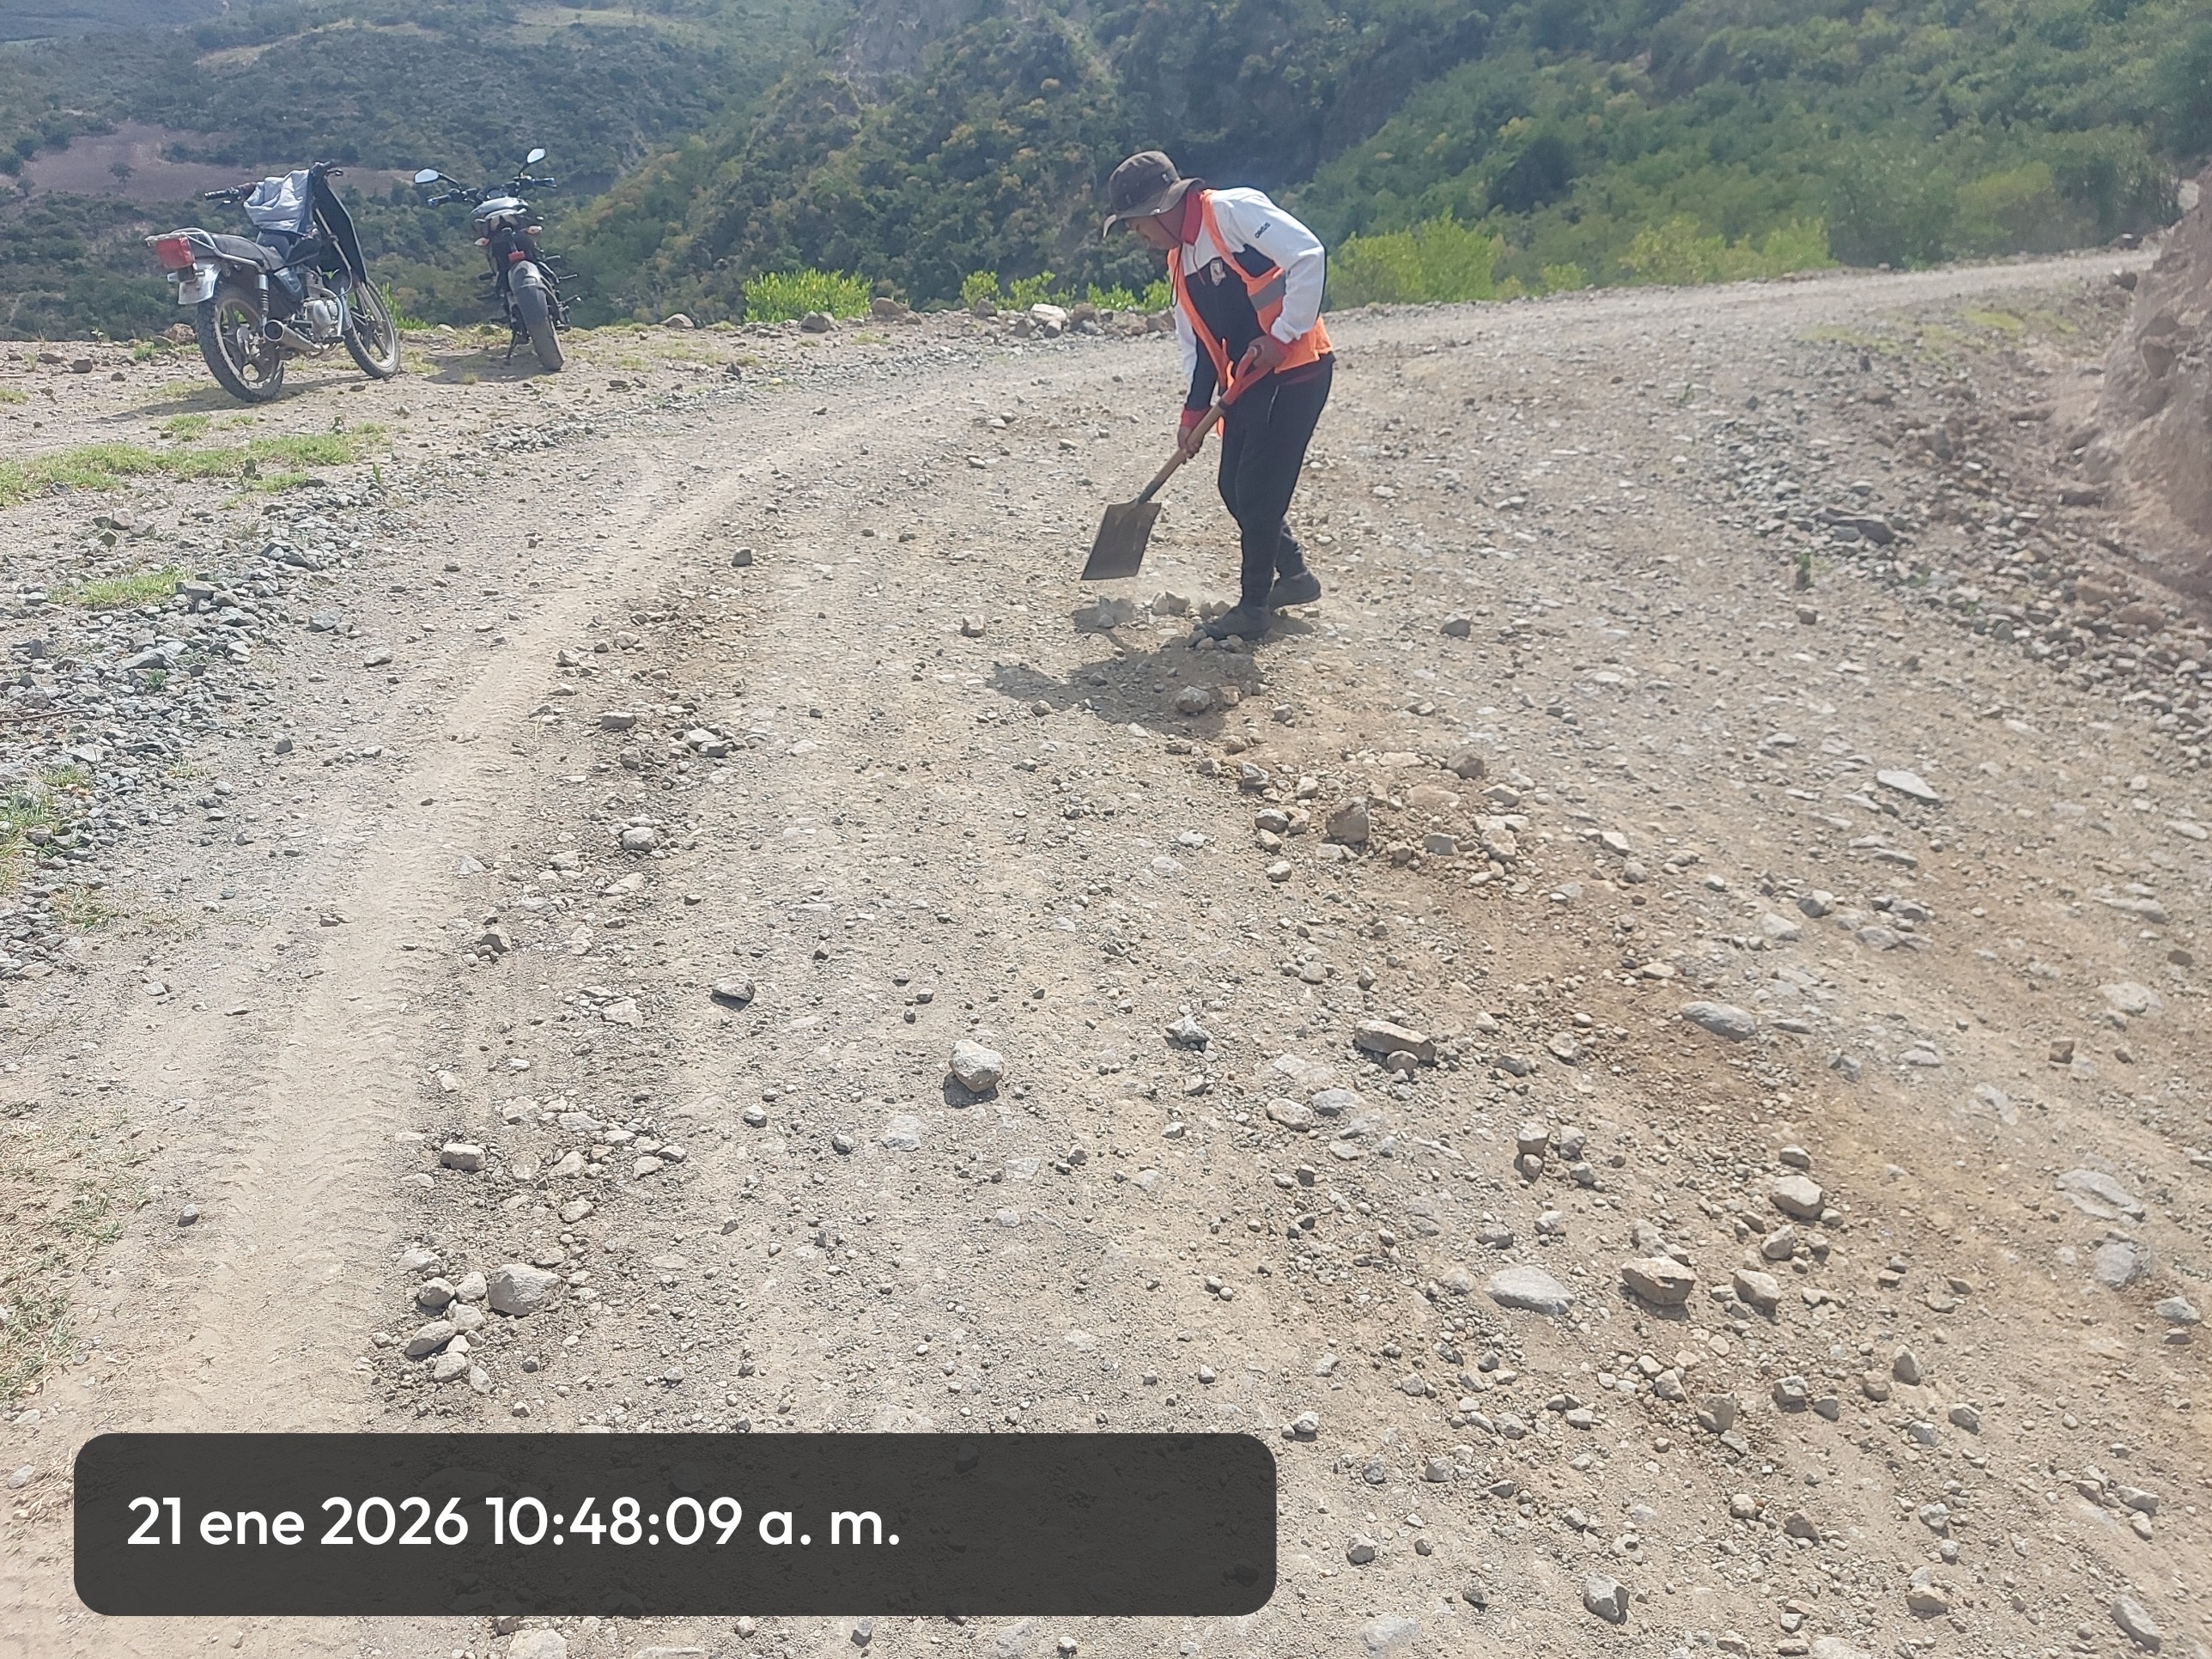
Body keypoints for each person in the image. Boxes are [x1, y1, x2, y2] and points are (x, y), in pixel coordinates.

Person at [1103, 149, 1334, 643]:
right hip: (1249, 379)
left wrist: (1282, 336)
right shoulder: (1179, 261)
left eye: (1137, 224)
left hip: (1296, 371)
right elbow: (1199, 346)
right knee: (1232, 485)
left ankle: (1253, 608)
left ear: (1161, 208)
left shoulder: (1232, 212)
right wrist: (1192, 412)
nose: (1139, 236)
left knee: (1258, 492)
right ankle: (1295, 577)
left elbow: (1308, 255)